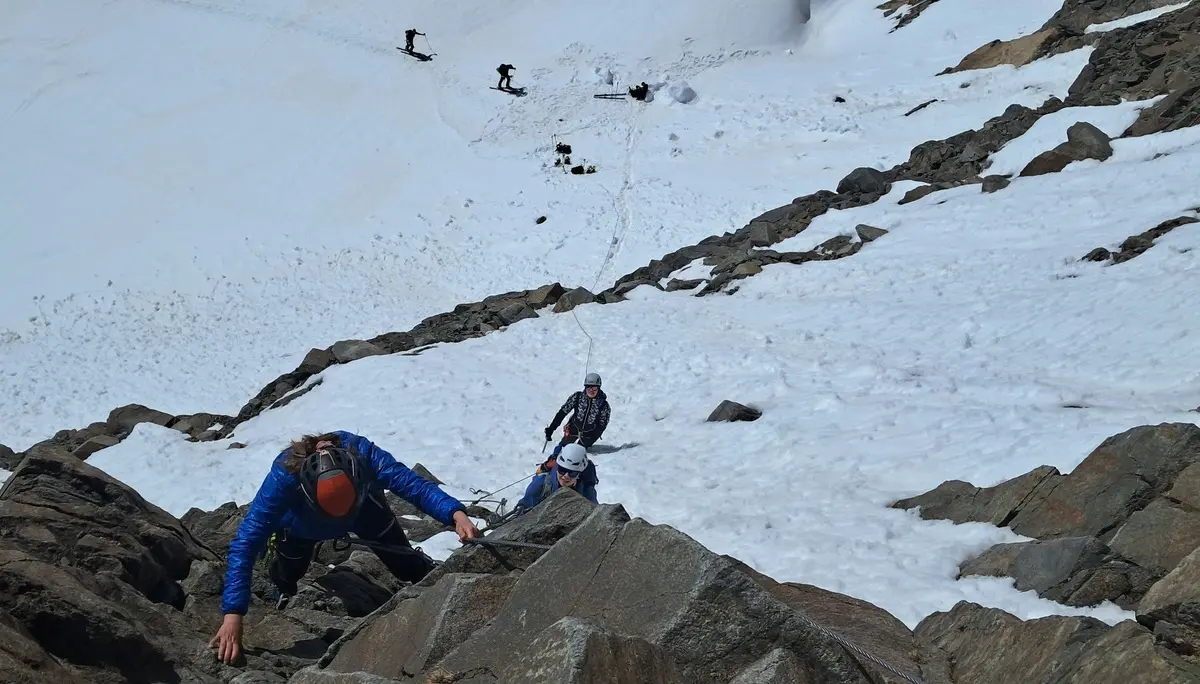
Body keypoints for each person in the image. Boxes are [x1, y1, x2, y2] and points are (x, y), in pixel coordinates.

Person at [209, 431, 479, 665]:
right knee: (288, 573)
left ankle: (432, 583)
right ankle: (283, 583)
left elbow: (412, 485)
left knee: (406, 562)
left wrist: (455, 514)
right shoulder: (284, 476)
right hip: (301, 527)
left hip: (365, 511)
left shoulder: (363, 454)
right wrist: (233, 614)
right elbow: (246, 541)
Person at [544, 372, 610, 456]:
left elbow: (602, 425)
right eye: (588, 387)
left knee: (576, 454)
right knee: (562, 449)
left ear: (599, 388)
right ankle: (552, 462)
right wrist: (551, 429)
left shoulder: (603, 405)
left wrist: (592, 438)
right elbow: (563, 412)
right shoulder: (577, 397)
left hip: (589, 433)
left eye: (594, 388)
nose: (591, 391)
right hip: (573, 428)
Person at [517, 443, 598, 510]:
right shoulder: (539, 485)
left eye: (572, 473)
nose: (565, 476)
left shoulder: (586, 490)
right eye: (562, 470)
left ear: (579, 474)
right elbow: (525, 506)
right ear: (557, 467)